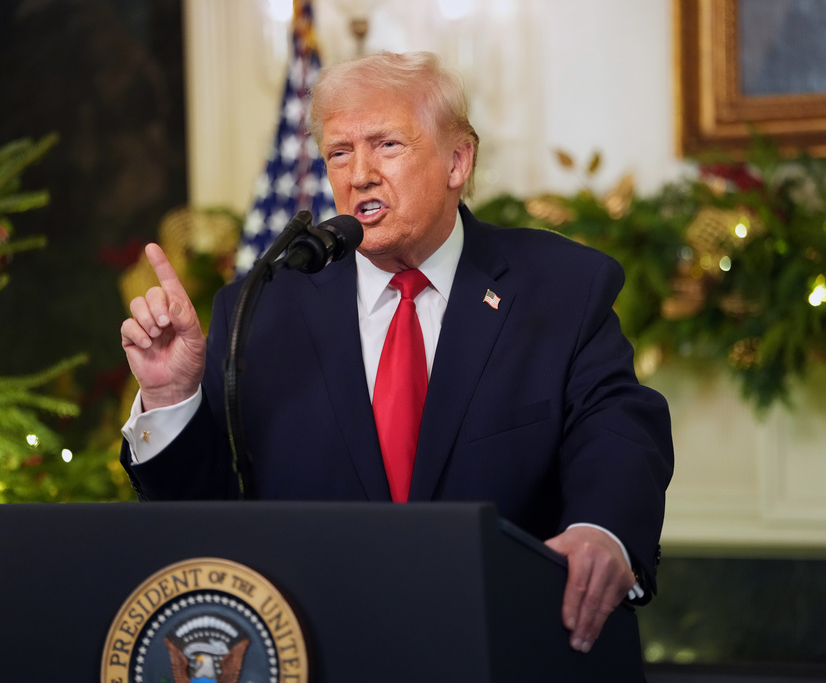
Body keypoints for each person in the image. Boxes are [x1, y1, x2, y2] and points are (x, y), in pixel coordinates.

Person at [120, 51, 673, 657]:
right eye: (338, 153)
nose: (359, 175)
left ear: (458, 160)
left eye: (386, 145)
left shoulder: (561, 286)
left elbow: (620, 429)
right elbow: (212, 530)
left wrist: (604, 532)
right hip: (328, 653)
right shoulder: (260, 308)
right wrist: (171, 399)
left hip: (511, 647)